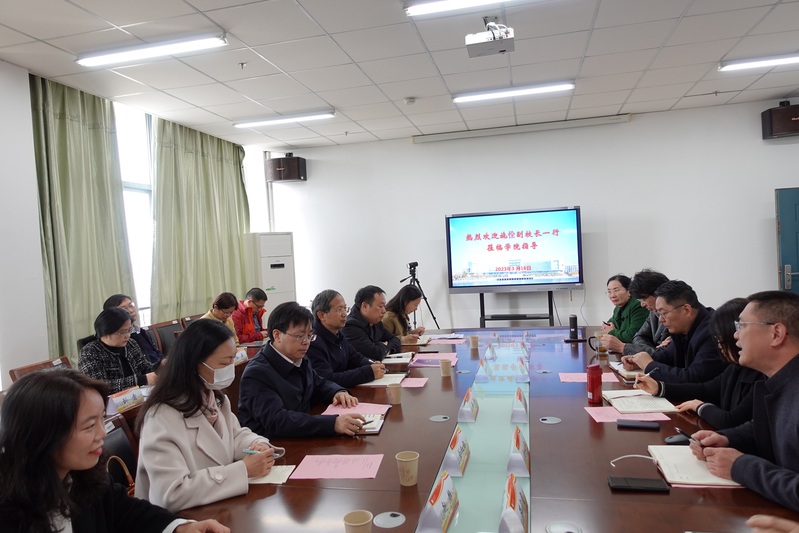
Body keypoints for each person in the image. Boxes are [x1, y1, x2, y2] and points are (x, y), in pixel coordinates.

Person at [0, 368, 228, 533]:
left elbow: (128, 513)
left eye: (102, 419)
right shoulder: (9, 506)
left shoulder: (87, 479)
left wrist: (180, 528)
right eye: (89, 426)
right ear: (42, 434)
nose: (102, 433)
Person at [135, 319, 276, 512]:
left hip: (218, 508)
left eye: (232, 359)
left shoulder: (214, 397)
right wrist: (242, 470)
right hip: (180, 518)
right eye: (224, 362)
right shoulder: (161, 417)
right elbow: (171, 494)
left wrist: (256, 444)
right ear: (195, 364)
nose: (231, 367)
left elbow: (234, 435)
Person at [690, 291, 799, 513]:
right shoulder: (778, 380)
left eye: (742, 326)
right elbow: (767, 427)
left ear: (776, 334)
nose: (735, 335)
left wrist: (741, 467)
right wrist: (727, 438)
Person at [238, 302, 365, 438]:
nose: (306, 342)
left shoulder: (299, 358)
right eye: (299, 336)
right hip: (272, 445)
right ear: (277, 335)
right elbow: (278, 421)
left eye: (310, 335)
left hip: (300, 436)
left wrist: (337, 392)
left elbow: (319, 383)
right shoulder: (257, 374)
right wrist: (333, 423)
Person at [635, 298, 764, 429]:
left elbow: (730, 421)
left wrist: (700, 407)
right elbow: (706, 389)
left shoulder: (762, 377)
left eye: (722, 340)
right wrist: (659, 388)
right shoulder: (736, 368)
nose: (720, 346)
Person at [621, 280, 726, 384]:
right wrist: (639, 361)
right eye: (658, 314)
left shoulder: (713, 331)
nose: (660, 320)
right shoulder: (683, 327)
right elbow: (668, 356)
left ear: (686, 310)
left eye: (664, 313)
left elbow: (693, 378)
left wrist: (649, 365)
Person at [306, 289, 385, 388]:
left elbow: (355, 358)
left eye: (345, 308)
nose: (344, 314)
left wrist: (371, 363)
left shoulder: (338, 334)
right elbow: (327, 379)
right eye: (339, 309)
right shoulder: (313, 342)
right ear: (322, 315)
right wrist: (368, 372)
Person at [79, 307, 157, 394]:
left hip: (138, 395)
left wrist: (161, 366)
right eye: (123, 332)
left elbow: (144, 367)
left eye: (129, 330)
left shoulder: (131, 343)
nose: (128, 335)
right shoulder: (89, 352)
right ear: (105, 333)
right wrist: (142, 380)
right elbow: (99, 386)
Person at [603, 269, 670, 355]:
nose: (642, 304)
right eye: (609, 292)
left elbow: (664, 355)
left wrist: (623, 347)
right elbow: (638, 336)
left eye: (644, 298)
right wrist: (651, 350)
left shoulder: (674, 316)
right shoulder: (653, 312)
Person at [342, 285, 401, 361]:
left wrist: (383, 347)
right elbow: (375, 354)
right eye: (380, 306)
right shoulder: (350, 326)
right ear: (365, 307)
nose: (384, 311)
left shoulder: (376, 321)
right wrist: (383, 346)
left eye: (384, 306)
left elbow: (394, 339)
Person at [103, 294, 163, 364]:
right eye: (124, 309)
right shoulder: (115, 339)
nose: (131, 310)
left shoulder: (141, 331)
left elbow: (157, 354)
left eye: (131, 306)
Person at [600, 274, 649, 344]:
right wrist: (607, 327)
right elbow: (609, 324)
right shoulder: (617, 308)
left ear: (629, 291)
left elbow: (632, 336)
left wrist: (612, 331)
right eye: (609, 292)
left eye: (616, 290)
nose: (612, 295)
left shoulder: (638, 306)